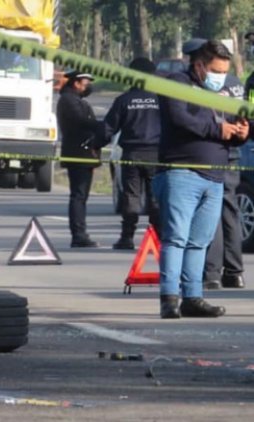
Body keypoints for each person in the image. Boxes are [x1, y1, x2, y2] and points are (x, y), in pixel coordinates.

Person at [154, 40, 249, 319]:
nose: (220, 77)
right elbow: (181, 119)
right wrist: (218, 129)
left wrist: (244, 130)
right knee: (176, 238)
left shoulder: (228, 88)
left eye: (224, 71)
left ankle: (192, 297)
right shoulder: (176, 83)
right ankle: (169, 298)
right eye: (215, 70)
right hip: (182, 173)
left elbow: (238, 119)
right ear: (198, 65)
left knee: (199, 241)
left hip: (216, 175)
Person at [95, 57, 160, 250]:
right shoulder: (161, 99)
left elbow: (108, 129)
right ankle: (157, 238)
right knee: (156, 197)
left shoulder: (124, 100)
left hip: (132, 154)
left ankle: (127, 237)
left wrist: (94, 144)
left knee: (131, 196)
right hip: (157, 155)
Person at [57, 71, 103, 248]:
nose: (88, 86)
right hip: (78, 152)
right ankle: (79, 234)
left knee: (81, 196)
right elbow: (81, 121)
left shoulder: (75, 100)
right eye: (85, 82)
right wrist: (102, 125)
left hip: (83, 152)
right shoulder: (69, 101)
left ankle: (80, 233)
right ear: (76, 83)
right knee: (78, 195)